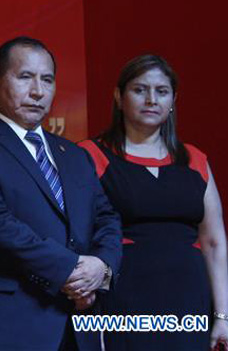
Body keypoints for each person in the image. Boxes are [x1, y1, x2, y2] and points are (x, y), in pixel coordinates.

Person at [0, 36, 122, 350]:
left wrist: (101, 267)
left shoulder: (74, 154)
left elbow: (106, 217)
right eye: (25, 77)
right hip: (10, 322)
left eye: (47, 80)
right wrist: (72, 271)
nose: (38, 91)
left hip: (80, 325)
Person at [80, 55, 228, 350]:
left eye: (161, 91)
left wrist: (223, 315)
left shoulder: (195, 160)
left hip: (189, 300)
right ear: (118, 97)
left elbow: (213, 241)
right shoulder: (90, 155)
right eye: (139, 90)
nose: (151, 99)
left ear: (173, 100)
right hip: (122, 298)